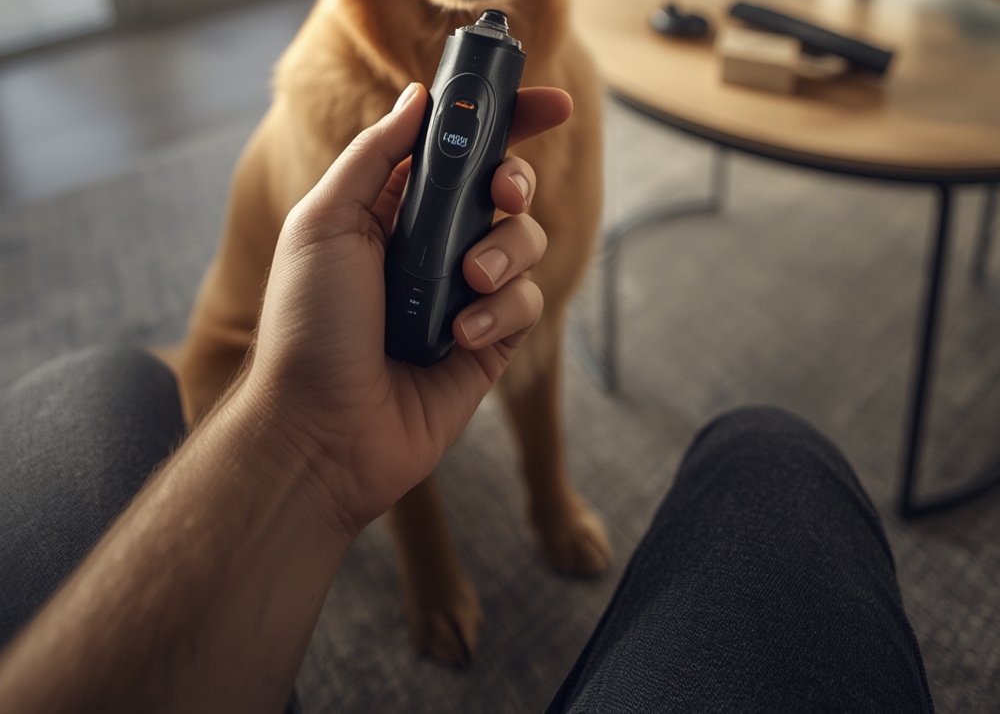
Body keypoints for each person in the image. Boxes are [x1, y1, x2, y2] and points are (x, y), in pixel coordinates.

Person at [0, 84, 934, 713]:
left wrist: (309, 439)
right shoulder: (316, 117)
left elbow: (538, 333)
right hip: (240, 356)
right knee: (773, 455)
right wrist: (298, 424)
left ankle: (533, 490)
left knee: (103, 378)